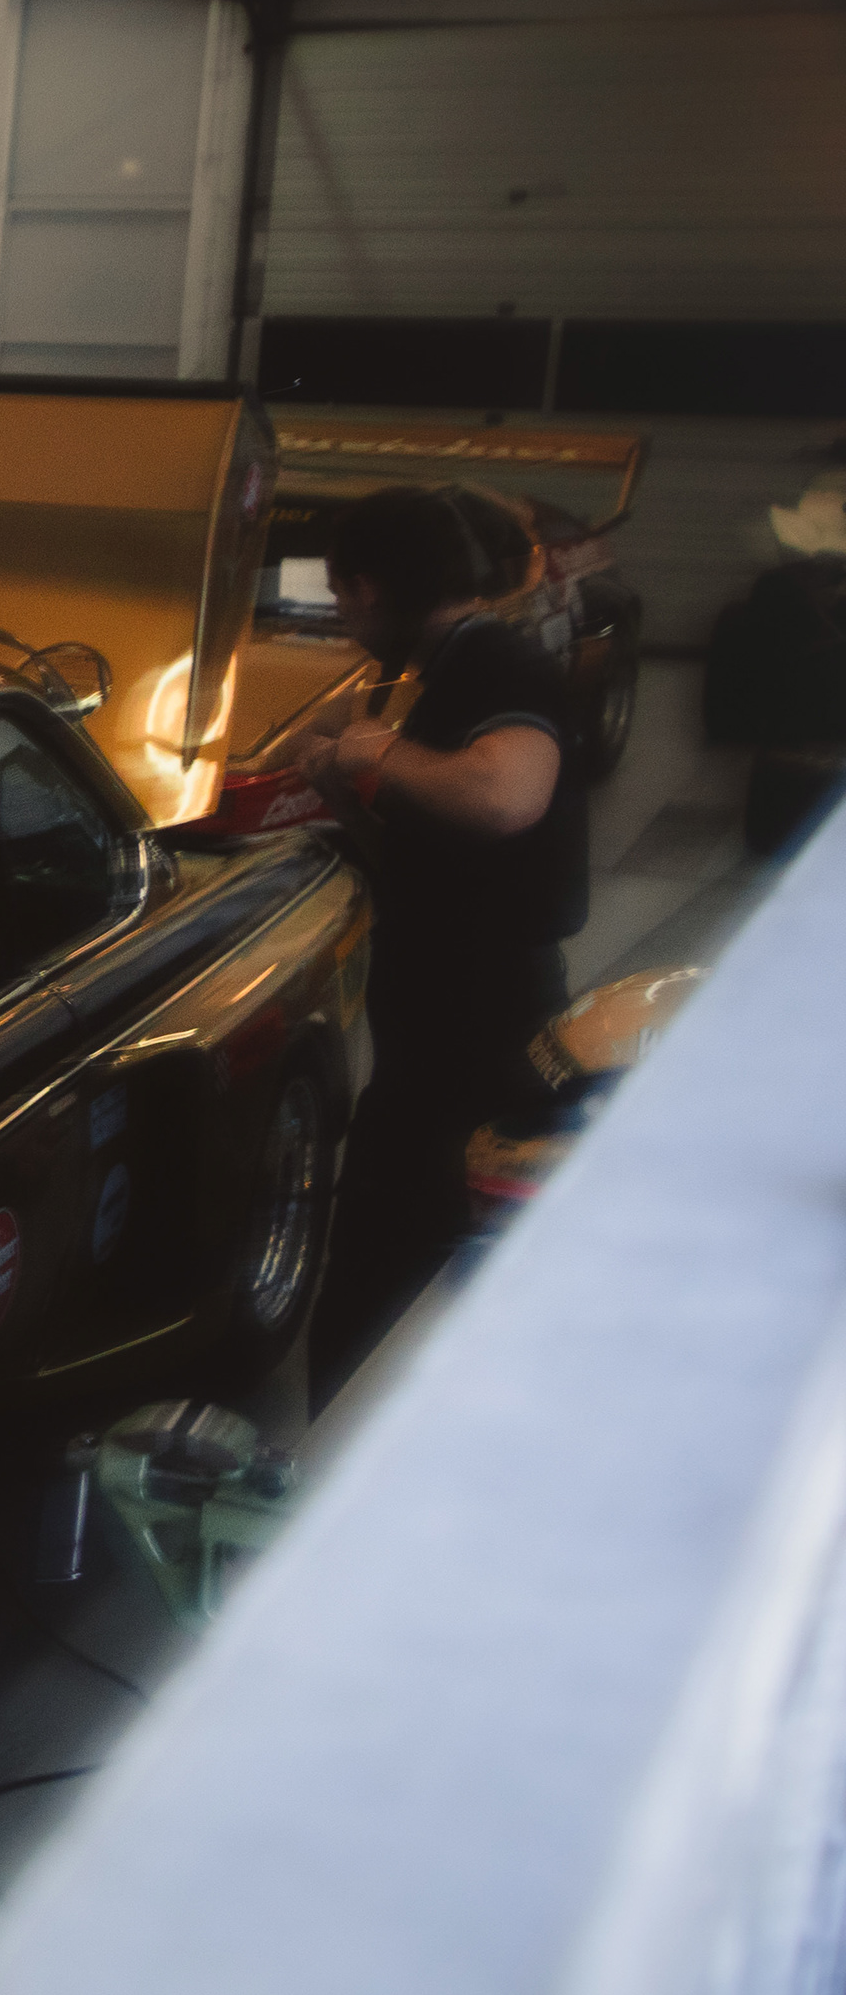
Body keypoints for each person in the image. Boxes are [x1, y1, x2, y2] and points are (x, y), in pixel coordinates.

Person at [299, 483, 592, 1374]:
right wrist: (348, 798)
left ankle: (354, 1430)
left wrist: (377, 752)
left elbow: (505, 799)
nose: (342, 616)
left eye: (340, 593)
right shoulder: (446, 672)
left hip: (477, 1031)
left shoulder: (496, 664)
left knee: (388, 1269)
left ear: (370, 586)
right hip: (441, 1031)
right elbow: (434, 849)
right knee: (398, 1257)